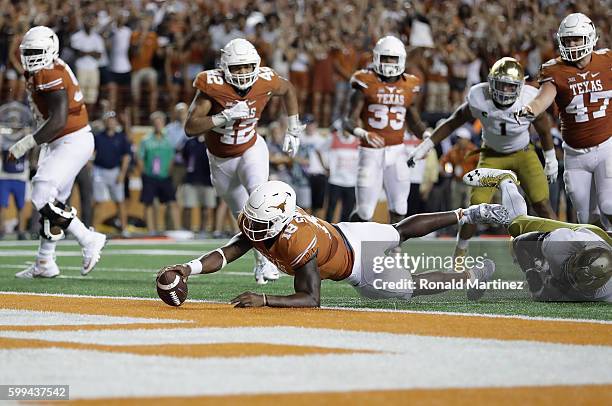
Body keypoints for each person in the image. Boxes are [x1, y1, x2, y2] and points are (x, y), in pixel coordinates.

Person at [158, 181, 505, 308]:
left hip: (358, 260)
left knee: (406, 289)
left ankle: (471, 274)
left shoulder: (298, 242)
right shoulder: (266, 221)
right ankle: (466, 212)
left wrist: (263, 299)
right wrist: (186, 269)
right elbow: (229, 251)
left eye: (260, 223)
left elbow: (311, 299)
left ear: (278, 221)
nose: (251, 228)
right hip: (345, 232)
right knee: (398, 230)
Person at [408, 57, 557, 258]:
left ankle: (563, 246)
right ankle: (460, 250)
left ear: (520, 87)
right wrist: (426, 145)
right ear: (490, 82)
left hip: (523, 153)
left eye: (510, 86)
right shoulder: (479, 97)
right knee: (476, 208)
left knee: (541, 202)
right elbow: (453, 122)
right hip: (491, 155)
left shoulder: (531, 99)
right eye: (500, 85)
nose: (504, 91)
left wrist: (550, 159)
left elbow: (545, 131)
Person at [184, 38, 303, 284]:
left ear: (256, 65)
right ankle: (261, 260)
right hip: (221, 160)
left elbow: (288, 89)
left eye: (248, 66)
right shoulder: (212, 85)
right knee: (244, 218)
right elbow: (190, 127)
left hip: (251, 148)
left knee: (261, 199)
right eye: (237, 68)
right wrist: (222, 117)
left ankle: (272, 260)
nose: (243, 72)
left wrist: (293, 127)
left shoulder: (265, 80)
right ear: (224, 68)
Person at [9, 26, 106, 278]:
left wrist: (25, 144)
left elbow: (59, 119)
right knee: (54, 203)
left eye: (36, 51)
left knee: (41, 193)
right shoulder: (42, 68)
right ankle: (45, 262)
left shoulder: (50, 72)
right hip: (61, 141)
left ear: (50, 50)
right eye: (27, 51)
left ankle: (88, 238)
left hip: (70, 139)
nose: (31, 56)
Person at [517, 13, 611, 228]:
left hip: (607, 147)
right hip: (575, 154)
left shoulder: (607, 61)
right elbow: (544, 97)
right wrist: (530, 109)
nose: (572, 44)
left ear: (590, 37)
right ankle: (600, 257)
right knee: (586, 217)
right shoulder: (554, 69)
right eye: (567, 40)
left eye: (577, 39)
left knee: (609, 205)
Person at [463, 168, 611, 302]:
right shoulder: (560, 243)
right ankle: (506, 180)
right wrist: (530, 272)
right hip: (587, 236)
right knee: (516, 225)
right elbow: (520, 243)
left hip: (596, 251)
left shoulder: (604, 293)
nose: (568, 278)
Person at [343, 35, 427, 225]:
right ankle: (354, 248)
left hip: (397, 151)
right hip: (370, 152)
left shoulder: (410, 85)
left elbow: (413, 120)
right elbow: (347, 121)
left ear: (402, 60)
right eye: (385, 58)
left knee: (400, 208)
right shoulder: (364, 81)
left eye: (393, 59)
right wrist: (363, 133)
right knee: (364, 211)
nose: (389, 63)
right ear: (375, 58)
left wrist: (427, 136)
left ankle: (394, 251)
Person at [138, 111, 180, 234]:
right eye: (155, 122)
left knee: (172, 202)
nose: (158, 124)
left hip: (165, 175)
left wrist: (169, 170)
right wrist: (144, 172)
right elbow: (140, 157)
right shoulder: (146, 140)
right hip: (150, 176)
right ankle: (151, 230)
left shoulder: (169, 139)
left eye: (160, 122)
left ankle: (177, 229)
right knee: (149, 203)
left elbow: (172, 156)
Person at [93, 111, 131, 235]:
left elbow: (126, 156)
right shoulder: (98, 137)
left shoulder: (121, 137)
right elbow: (91, 153)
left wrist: (122, 173)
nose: (111, 122)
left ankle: (124, 228)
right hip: (99, 170)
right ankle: (94, 228)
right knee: (98, 201)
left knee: (120, 201)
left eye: (113, 119)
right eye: (109, 119)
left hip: (115, 171)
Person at [181, 136, 216, 234]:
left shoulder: (212, 142)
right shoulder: (190, 142)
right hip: (192, 179)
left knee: (206, 208)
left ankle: (203, 230)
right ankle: (186, 230)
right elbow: (185, 157)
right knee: (188, 206)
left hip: (207, 180)